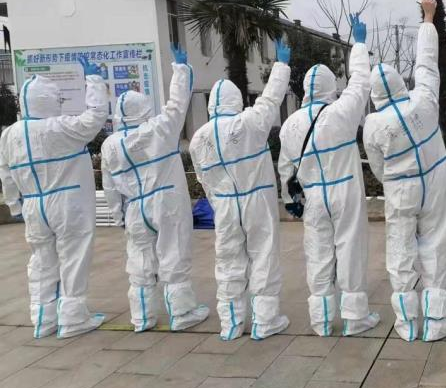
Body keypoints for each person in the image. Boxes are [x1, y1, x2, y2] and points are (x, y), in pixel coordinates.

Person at [278, 14, 380, 337]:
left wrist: (290, 201)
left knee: (318, 253)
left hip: (312, 197)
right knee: (350, 248)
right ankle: (355, 317)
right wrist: (359, 45)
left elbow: (285, 170)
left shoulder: (289, 126)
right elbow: (360, 83)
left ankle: (321, 320)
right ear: (330, 87)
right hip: (344, 190)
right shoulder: (340, 113)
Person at [363, 0, 446, 343]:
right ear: (400, 84)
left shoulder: (373, 124)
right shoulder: (423, 100)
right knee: (434, 244)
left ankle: (407, 324)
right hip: (435, 179)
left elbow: (377, 167)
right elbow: (427, 65)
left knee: (400, 250)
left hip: (400, 188)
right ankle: (436, 321)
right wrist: (428, 19)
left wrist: (393, 180)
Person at [101, 45, 208, 332]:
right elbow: (177, 104)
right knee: (174, 254)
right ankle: (182, 313)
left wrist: (118, 215)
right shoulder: (160, 129)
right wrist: (180, 69)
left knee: (139, 262)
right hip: (166, 202)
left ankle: (142, 317)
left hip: (135, 208)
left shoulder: (110, 145)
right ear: (145, 110)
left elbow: (109, 186)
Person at [189, 40, 291, 341]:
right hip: (255, 199)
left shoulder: (198, 139)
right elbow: (270, 99)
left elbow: (203, 179)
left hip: (224, 205)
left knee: (228, 261)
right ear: (237, 100)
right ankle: (265, 321)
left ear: (211, 105)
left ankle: (231, 323)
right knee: (263, 255)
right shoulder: (249, 123)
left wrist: (219, 203)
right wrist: (281, 65)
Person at [0, 58, 107, 338]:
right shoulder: (59, 127)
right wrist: (94, 82)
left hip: (33, 205)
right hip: (67, 202)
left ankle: (42, 318)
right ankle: (73, 318)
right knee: (73, 256)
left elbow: (5, 173)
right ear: (48, 101)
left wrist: (14, 205)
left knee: (41, 261)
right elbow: (96, 115)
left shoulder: (9, 135)